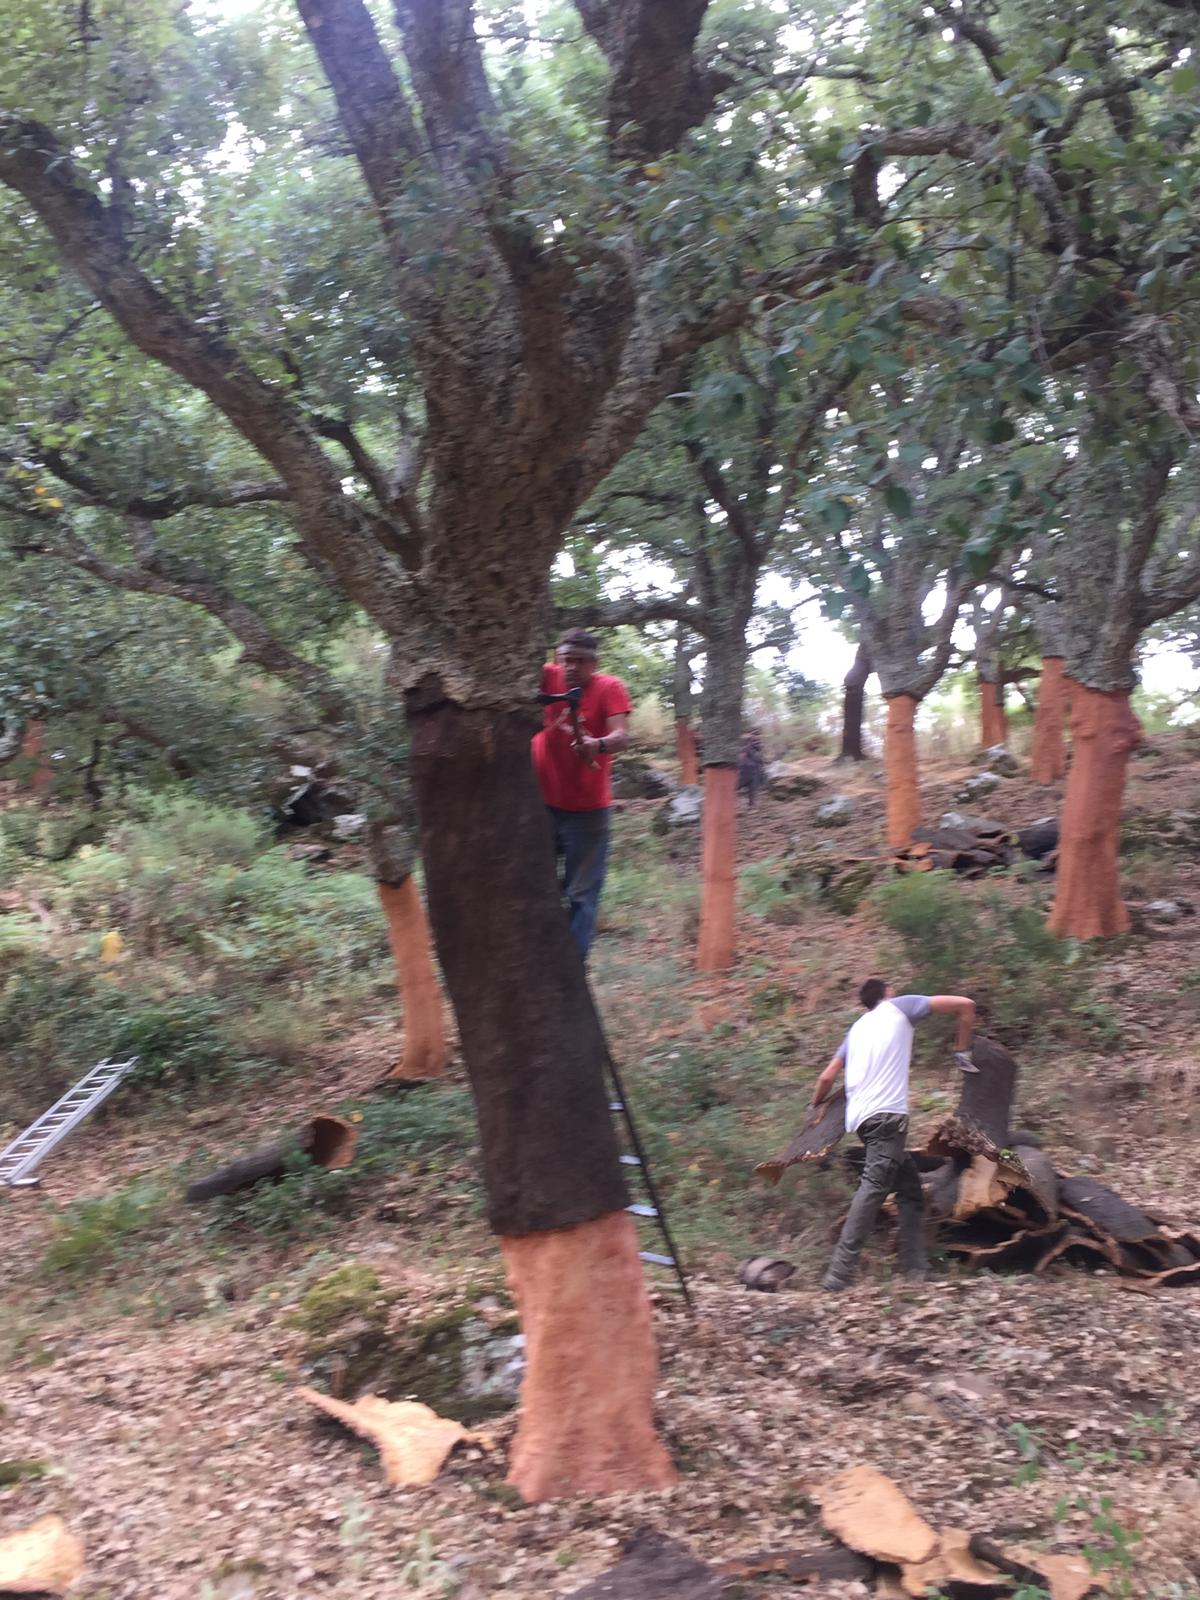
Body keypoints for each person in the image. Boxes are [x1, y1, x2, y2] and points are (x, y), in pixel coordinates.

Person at [806, 977, 978, 1291]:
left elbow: (827, 1075)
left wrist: (813, 1106)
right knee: (873, 1187)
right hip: (888, 1117)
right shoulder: (899, 1007)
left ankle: (915, 1269)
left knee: (910, 1190)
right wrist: (962, 1052)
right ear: (886, 993)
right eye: (892, 989)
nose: (895, 992)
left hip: (860, 1120)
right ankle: (838, 1276)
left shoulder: (855, 1029)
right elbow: (965, 1006)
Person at [532, 628, 631, 962]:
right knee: (538, 887)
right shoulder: (547, 677)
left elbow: (621, 735)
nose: (571, 667)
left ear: (594, 663)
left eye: (580, 661)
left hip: (588, 813)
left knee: (581, 895)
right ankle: (541, 957)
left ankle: (571, 970)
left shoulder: (609, 688)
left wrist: (597, 744)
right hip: (541, 805)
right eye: (565, 660)